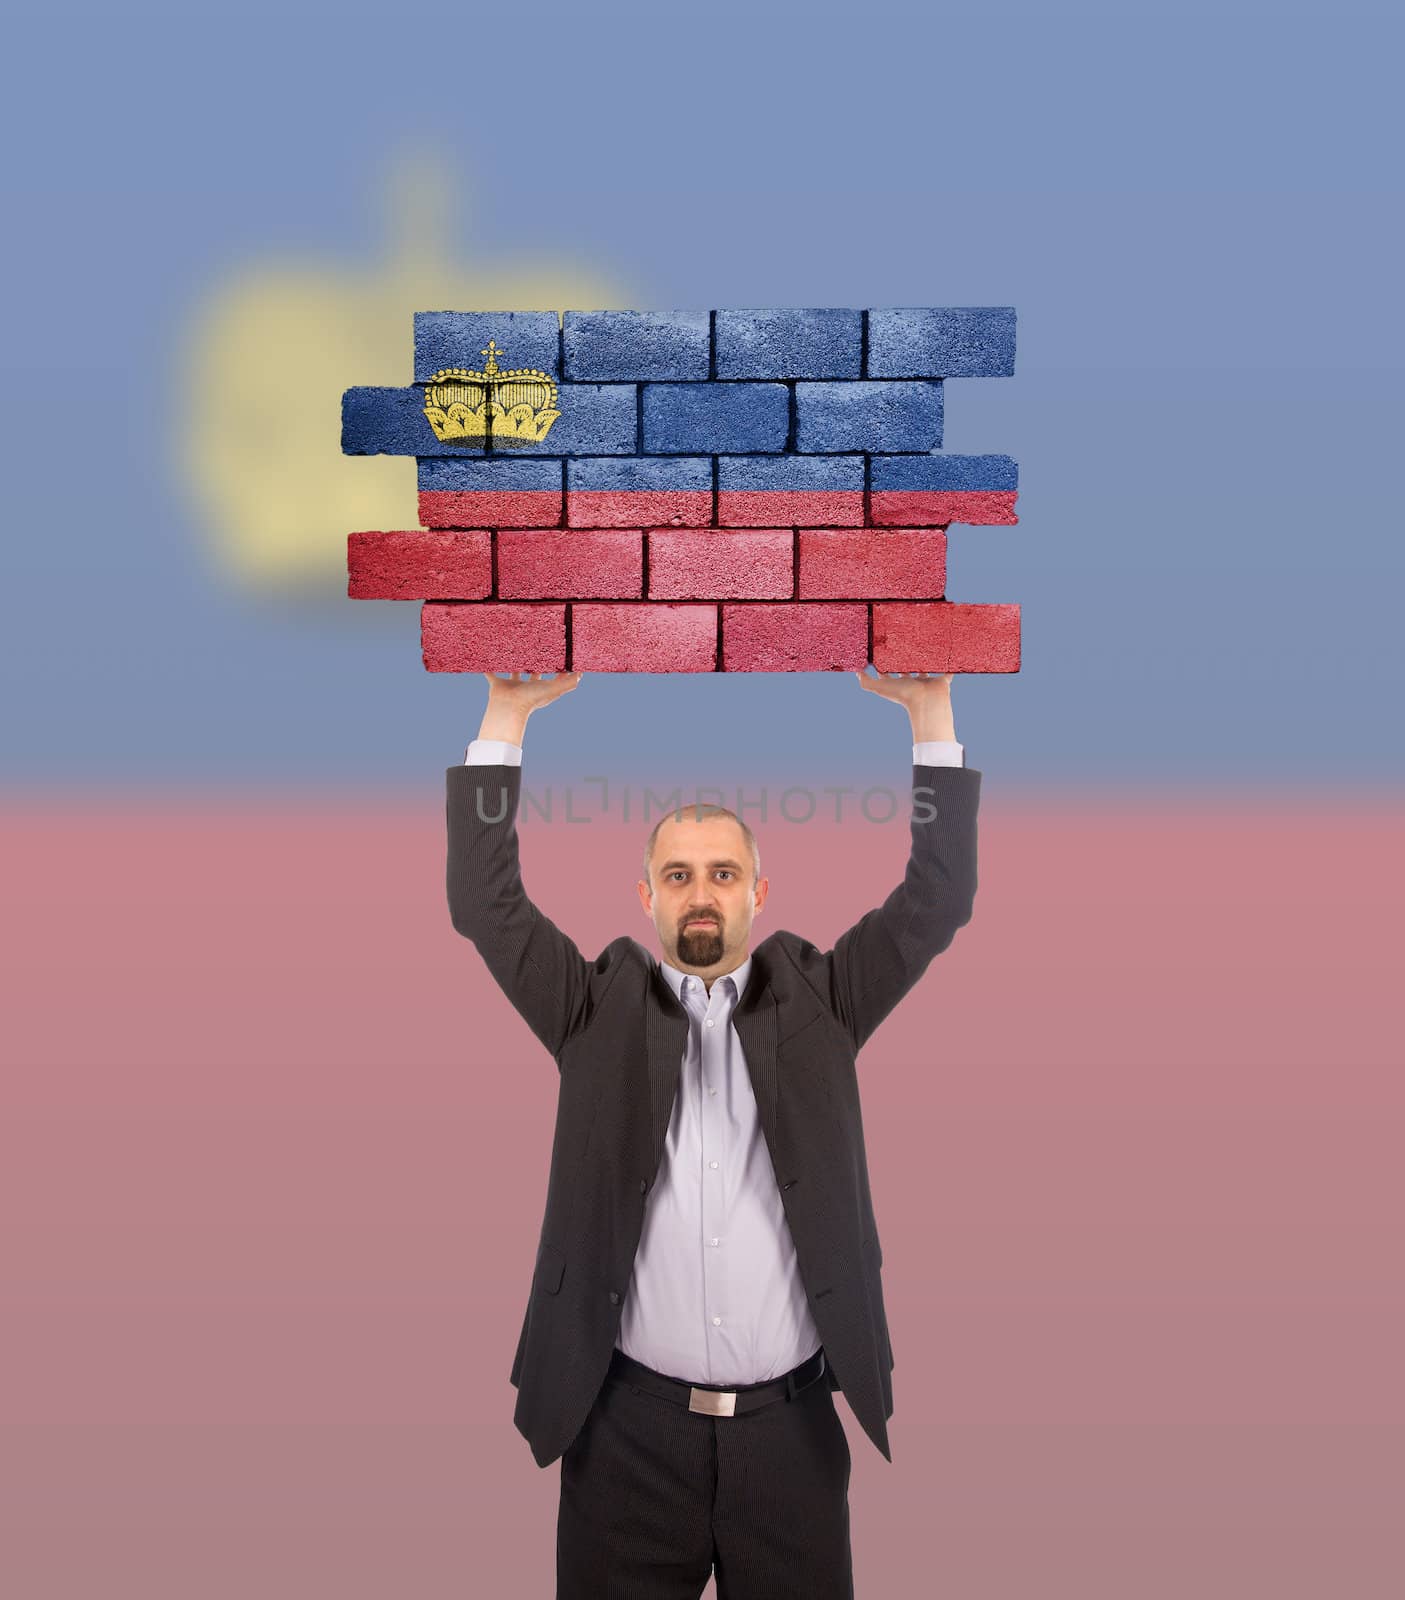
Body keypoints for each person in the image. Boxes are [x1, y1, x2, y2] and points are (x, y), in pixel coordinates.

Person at [447, 668, 981, 1599]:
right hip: (623, 1438)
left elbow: (935, 901)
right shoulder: (590, 1008)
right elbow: (484, 905)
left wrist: (928, 712)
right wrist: (507, 713)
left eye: (723, 875)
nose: (702, 894)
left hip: (793, 1441)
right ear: (646, 895)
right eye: (679, 876)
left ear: (758, 893)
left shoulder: (826, 997)